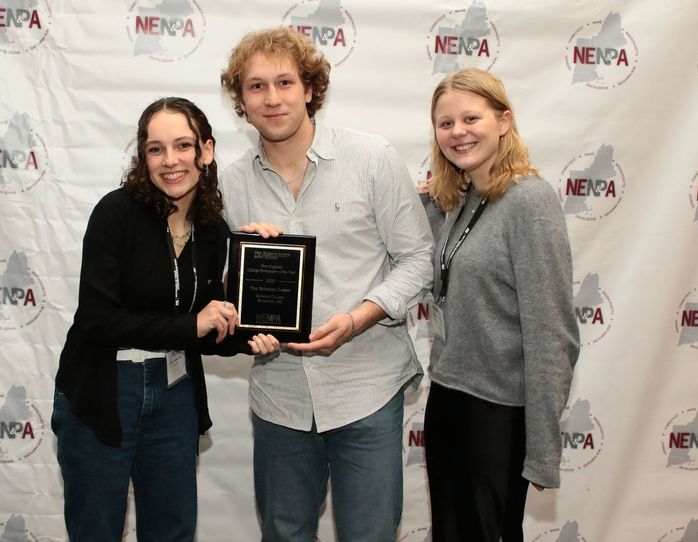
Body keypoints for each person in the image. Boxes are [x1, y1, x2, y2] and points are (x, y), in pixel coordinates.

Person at [219, 27, 434, 542]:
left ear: (311, 89)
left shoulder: (372, 158)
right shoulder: (228, 184)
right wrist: (242, 315)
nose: (272, 98)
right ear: (240, 102)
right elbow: (221, 287)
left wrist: (360, 317)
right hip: (279, 395)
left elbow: (419, 258)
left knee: (369, 535)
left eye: (285, 82)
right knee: (285, 533)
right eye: (256, 87)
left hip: (366, 387)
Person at [51, 97, 278, 541]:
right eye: (156, 149)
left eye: (183, 146)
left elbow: (213, 326)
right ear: (143, 157)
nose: (170, 161)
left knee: (172, 531)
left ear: (206, 151)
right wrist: (191, 326)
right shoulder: (115, 213)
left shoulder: (214, 229)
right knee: (95, 531)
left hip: (175, 394)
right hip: (104, 391)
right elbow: (98, 320)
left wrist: (258, 326)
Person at [420, 68, 580, 542]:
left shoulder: (530, 201)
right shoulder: (456, 198)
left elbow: (553, 332)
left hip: (498, 413)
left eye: (471, 118)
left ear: (504, 120)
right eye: (445, 124)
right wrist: (423, 201)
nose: (458, 132)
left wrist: (542, 450)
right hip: (446, 396)